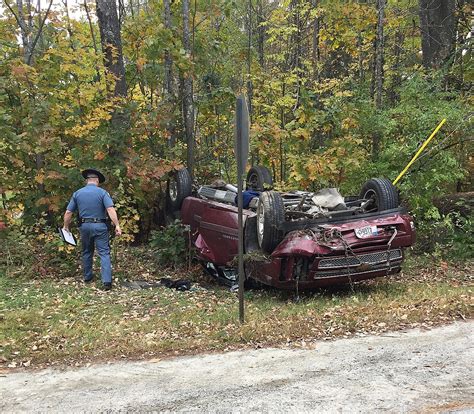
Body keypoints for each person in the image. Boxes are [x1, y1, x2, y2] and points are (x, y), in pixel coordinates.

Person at [62, 169, 122, 290]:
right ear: (97, 181)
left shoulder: (77, 193)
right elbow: (110, 209)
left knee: (86, 252)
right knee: (104, 253)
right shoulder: (102, 193)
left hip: (84, 227)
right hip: (100, 226)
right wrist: (117, 225)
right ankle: (107, 282)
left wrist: (65, 227)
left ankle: (88, 277)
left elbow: (69, 212)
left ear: (87, 180)